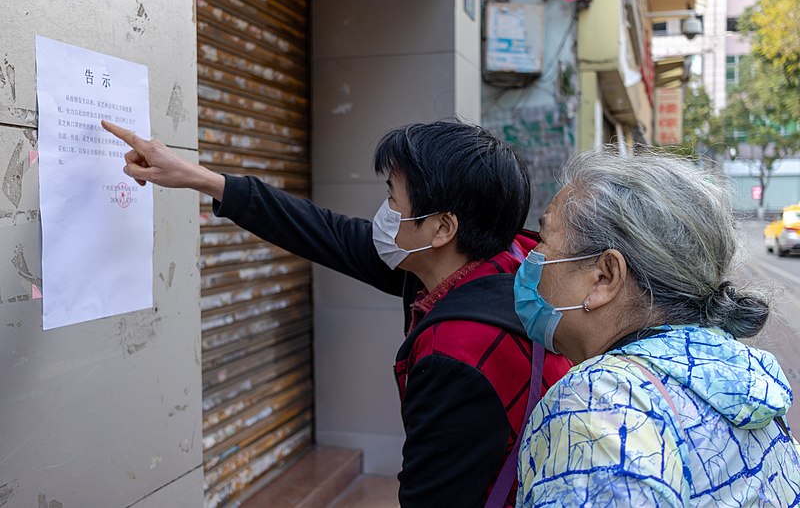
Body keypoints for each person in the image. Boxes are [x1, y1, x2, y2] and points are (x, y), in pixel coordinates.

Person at [101, 119, 573, 507]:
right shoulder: (504, 263)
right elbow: (323, 232)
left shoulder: (459, 356)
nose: (384, 211)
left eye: (393, 197)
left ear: (442, 227)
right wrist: (198, 178)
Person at [512, 147, 800, 507]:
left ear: (605, 276)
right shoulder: (743, 372)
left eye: (543, 240)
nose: (530, 257)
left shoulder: (598, 409)